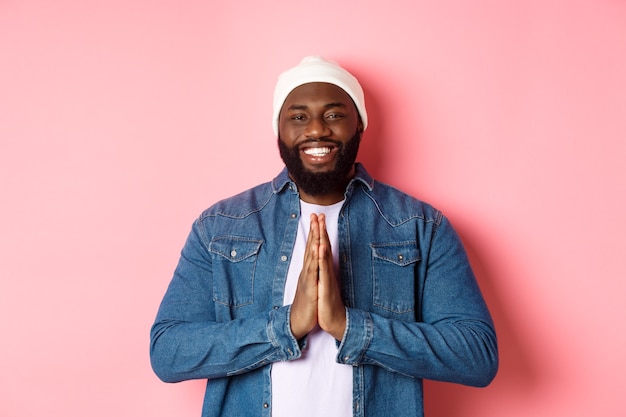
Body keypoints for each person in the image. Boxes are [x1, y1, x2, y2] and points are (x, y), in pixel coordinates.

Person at [150, 56, 498, 417]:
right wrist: (285, 326)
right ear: (279, 130)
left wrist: (349, 326)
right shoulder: (221, 227)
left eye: (334, 115)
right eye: (298, 117)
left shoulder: (421, 227)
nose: (317, 129)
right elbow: (168, 352)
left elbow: (476, 354)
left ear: (359, 124)